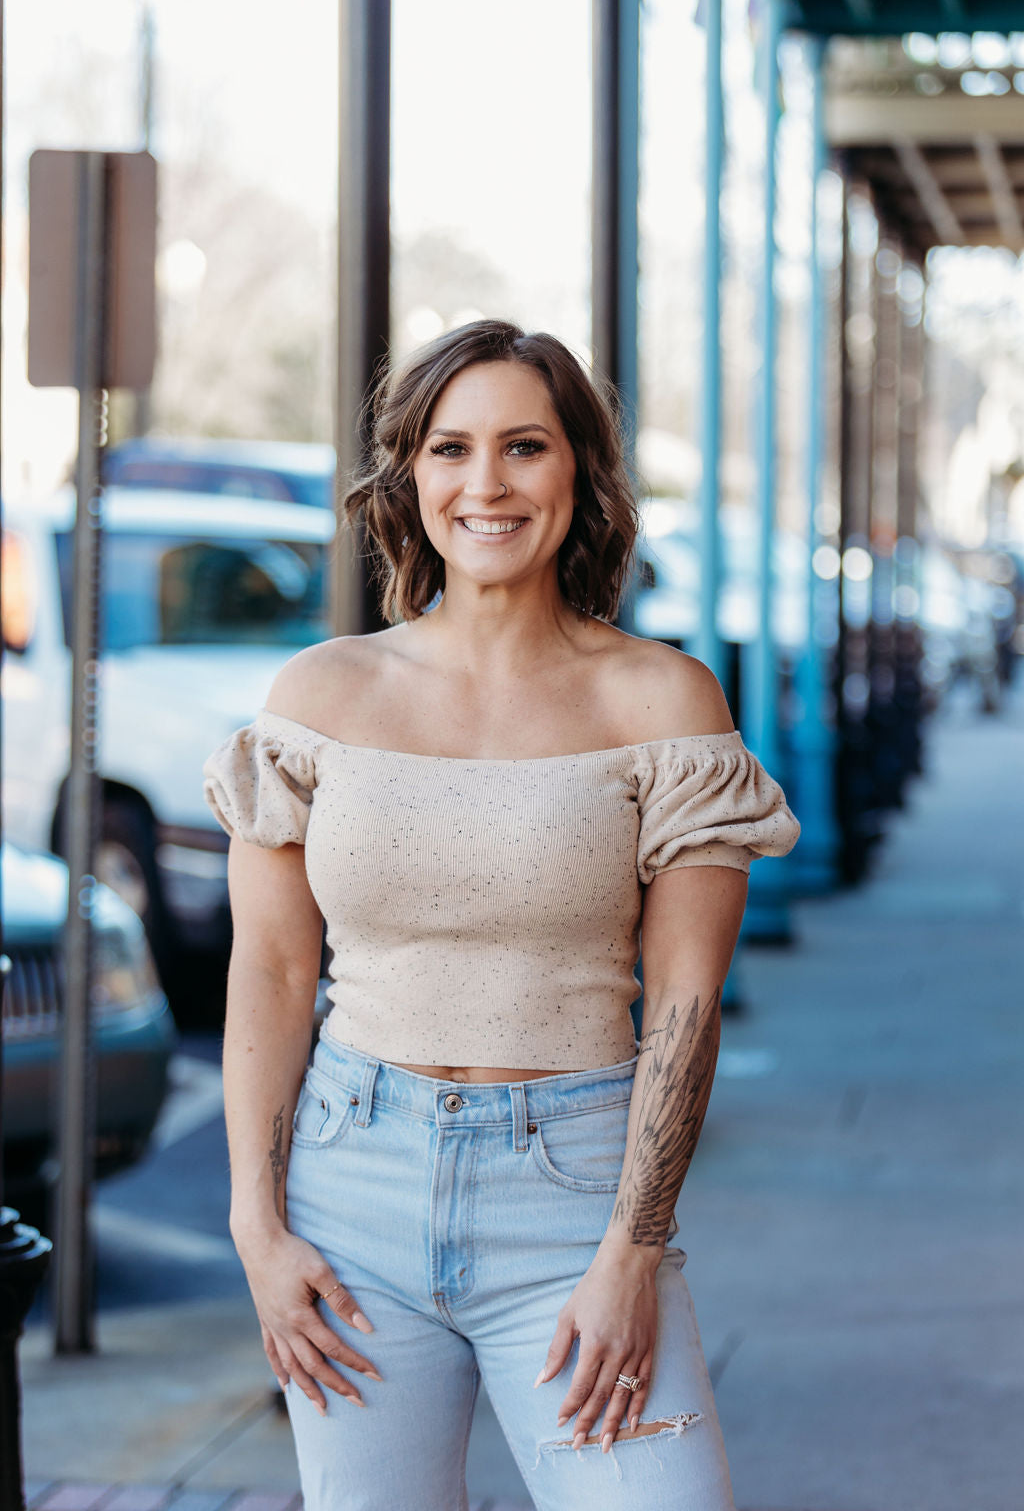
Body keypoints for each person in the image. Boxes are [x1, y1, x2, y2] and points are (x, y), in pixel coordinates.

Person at [202, 318, 800, 1511]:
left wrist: (632, 1252)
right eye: (449, 448)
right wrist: (258, 1234)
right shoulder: (321, 697)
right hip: (348, 1183)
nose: (486, 483)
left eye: (523, 447)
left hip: (575, 1193)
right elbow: (270, 975)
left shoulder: (659, 700)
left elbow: (684, 1006)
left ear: (578, 470)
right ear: (409, 474)